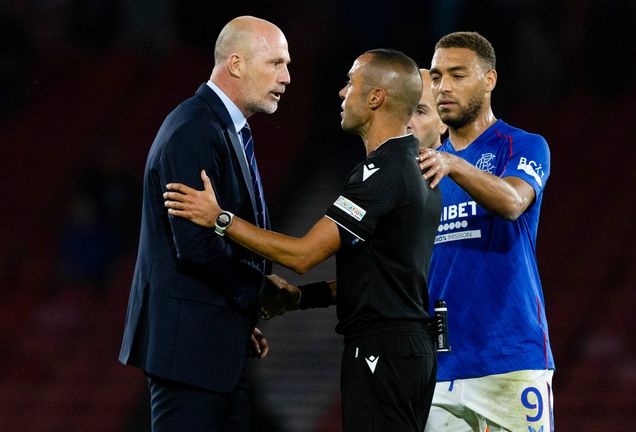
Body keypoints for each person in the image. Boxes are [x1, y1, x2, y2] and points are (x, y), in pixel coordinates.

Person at [163, 48, 442, 431]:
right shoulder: (413, 166)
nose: (342, 93)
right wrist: (301, 298)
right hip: (404, 350)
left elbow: (302, 254)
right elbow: (383, 278)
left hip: (384, 350)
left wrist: (220, 219)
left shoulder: (382, 173)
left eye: (351, 83)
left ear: (376, 97)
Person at [118, 16, 292, 432]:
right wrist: (257, 292)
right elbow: (195, 246)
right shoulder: (194, 129)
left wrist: (235, 317)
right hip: (188, 352)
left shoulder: (219, 128)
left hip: (213, 344)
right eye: (276, 63)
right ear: (236, 63)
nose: (286, 77)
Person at [418, 31, 555, 432]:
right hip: (440, 368)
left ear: (489, 80)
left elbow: (512, 202)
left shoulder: (523, 146)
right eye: (438, 76)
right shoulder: (424, 168)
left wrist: (453, 164)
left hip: (511, 361)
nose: (444, 87)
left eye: (458, 75)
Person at [407, 68, 447, 149]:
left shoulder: (464, 160)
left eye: (419, 112)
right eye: (402, 111)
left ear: (444, 122)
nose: (407, 124)